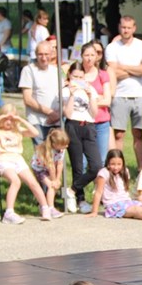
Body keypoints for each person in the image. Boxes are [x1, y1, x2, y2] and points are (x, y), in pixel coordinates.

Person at [0, 104, 54, 223]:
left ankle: (45, 207)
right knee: (15, 181)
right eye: (6, 119)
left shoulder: (18, 130)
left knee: (33, 182)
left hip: (18, 159)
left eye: (11, 119)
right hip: (3, 160)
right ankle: (9, 213)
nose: (9, 122)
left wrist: (21, 120)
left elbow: (35, 133)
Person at [106, 16, 142, 170]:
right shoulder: (112, 47)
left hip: (139, 95)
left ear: (134, 28)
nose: (126, 30)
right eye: (123, 27)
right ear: (119, 27)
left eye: (128, 27)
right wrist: (136, 70)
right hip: (119, 95)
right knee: (118, 134)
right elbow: (112, 72)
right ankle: (117, 168)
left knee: (138, 134)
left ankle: (141, 168)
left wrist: (123, 67)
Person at [62, 61, 101, 210]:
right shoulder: (65, 90)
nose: (78, 80)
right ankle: (80, 199)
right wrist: (72, 94)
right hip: (73, 125)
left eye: (80, 77)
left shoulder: (90, 89)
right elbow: (68, 113)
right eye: (75, 77)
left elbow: (94, 113)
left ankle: (71, 190)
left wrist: (90, 96)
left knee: (96, 165)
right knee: (77, 165)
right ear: (69, 76)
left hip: (88, 125)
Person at [20, 41, 62, 145]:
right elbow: (28, 99)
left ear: (52, 54)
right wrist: (50, 113)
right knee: (41, 153)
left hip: (56, 120)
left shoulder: (56, 71)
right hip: (37, 120)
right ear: (36, 54)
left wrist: (58, 115)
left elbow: (63, 94)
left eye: (46, 54)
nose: (43, 58)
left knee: (56, 152)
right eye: (40, 54)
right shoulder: (28, 70)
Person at [81, 41, 114, 168]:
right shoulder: (79, 75)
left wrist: (90, 101)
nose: (89, 58)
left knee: (101, 160)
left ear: (96, 57)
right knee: (82, 161)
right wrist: (98, 98)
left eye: (92, 55)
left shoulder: (103, 75)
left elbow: (107, 101)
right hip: (83, 122)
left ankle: (99, 181)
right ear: (82, 56)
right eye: (86, 55)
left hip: (101, 122)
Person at [31, 129, 70, 214]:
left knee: (55, 185)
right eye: (63, 144)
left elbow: (60, 164)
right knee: (52, 186)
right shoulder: (47, 150)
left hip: (48, 168)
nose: (66, 146)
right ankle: (50, 208)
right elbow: (51, 167)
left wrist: (58, 179)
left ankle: (47, 206)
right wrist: (54, 181)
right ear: (55, 144)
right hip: (39, 169)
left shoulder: (61, 149)